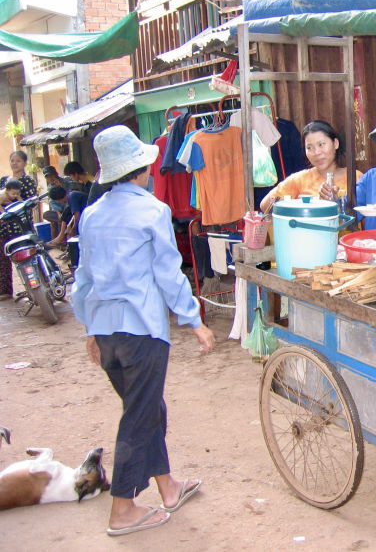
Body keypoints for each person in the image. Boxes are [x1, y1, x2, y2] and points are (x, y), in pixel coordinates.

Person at [71, 125, 215, 537]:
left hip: (107, 334)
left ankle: (168, 487)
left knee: (149, 409)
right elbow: (168, 274)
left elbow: (83, 279)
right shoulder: (153, 210)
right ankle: (122, 509)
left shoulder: (92, 214)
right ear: (140, 169)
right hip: (142, 333)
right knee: (139, 415)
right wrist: (194, 320)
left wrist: (90, 330)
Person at [259, 120, 361, 213]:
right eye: (309, 148)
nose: (316, 152)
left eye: (321, 144)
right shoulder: (299, 180)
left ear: (335, 143)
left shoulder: (355, 177)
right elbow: (265, 206)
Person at [0, 150, 37, 299]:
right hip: (4, 226)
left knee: (27, 257)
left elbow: (31, 202)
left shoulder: (27, 181)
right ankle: (4, 290)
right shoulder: (3, 180)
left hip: (21, 226)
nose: (14, 163)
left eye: (18, 161)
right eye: (12, 160)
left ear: (25, 163)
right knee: (2, 259)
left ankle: (35, 288)